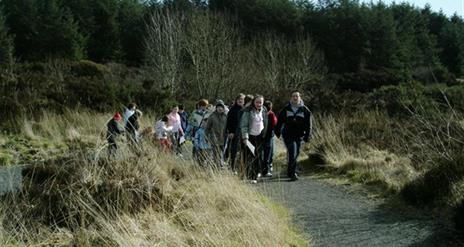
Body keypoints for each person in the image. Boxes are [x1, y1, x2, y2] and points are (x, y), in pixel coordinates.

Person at [275, 91, 312, 181]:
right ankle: (292, 173)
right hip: (288, 134)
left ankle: (289, 171)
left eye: (297, 96)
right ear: (291, 98)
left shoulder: (305, 110)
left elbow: (309, 124)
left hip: (299, 135)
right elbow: (279, 121)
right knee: (293, 152)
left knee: (296, 154)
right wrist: (277, 133)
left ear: (300, 98)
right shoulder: (286, 109)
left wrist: (308, 135)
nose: (295, 98)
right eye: (293, 96)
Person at [240, 95, 268, 183]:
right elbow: (244, 125)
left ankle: (255, 176)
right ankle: (249, 176)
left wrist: (264, 134)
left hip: (259, 137)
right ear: (253, 102)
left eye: (260, 102)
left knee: (258, 156)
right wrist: (245, 138)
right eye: (257, 102)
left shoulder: (264, 110)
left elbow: (265, 122)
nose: (259, 104)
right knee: (250, 156)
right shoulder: (248, 112)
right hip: (249, 137)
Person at [225, 93, 245, 173]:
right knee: (234, 151)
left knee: (243, 152)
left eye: (242, 99)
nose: (240, 100)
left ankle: (240, 168)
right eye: (239, 99)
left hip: (243, 133)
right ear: (236, 100)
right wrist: (231, 132)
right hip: (234, 133)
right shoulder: (232, 110)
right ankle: (232, 167)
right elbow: (229, 122)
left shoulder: (245, 110)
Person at [205, 102, 228, 166]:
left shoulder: (225, 116)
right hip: (214, 138)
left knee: (222, 152)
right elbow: (207, 128)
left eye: (221, 107)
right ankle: (217, 164)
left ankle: (220, 163)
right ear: (216, 108)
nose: (220, 108)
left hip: (223, 138)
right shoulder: (212, 116)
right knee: (216, 152)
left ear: (223, 109)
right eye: (218, 107)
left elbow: (228, 127)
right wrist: (206, 137)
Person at [263, 100, 277, 177]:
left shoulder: (271, 114)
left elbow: (274, 124)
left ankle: (266, 169)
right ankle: (265, 169)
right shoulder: (268, 114)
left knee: (267, 153)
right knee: (266, 153)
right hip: (265, 136)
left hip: (268, 136)